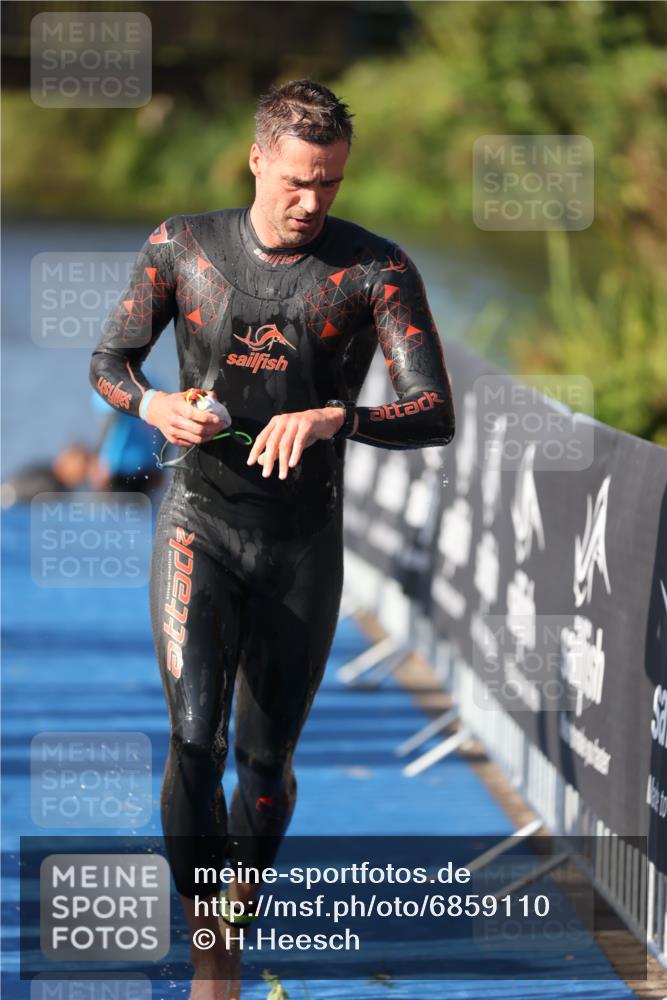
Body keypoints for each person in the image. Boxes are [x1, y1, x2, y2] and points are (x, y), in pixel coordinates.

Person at [89, 78, 455, 1000]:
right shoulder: (184, 246)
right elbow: (109, 361)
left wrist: (339, 417)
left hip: (300, 541)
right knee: (194, 740)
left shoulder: (375, 270)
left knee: (262, 763)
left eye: (329, 184)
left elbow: (431, 412)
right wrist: (153, 404)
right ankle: (212, 953)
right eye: (296, 180)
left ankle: (230, 930)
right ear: (256, 158)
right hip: (199, 523)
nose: (311, 202)